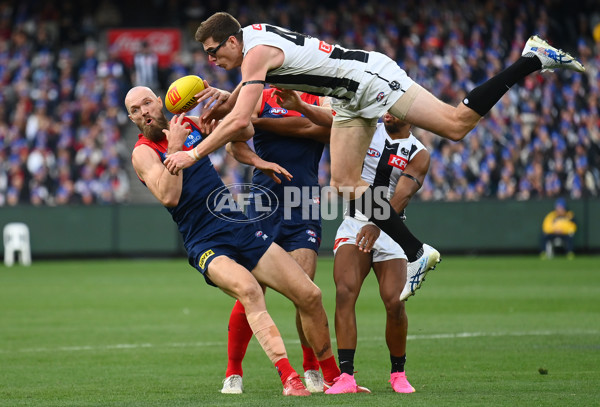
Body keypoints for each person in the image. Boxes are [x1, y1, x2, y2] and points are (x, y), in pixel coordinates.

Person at [164, 12, 583, 286]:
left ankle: (532, 58)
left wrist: (193, 154)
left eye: (213, 52)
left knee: (456, 126)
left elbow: (240, 121)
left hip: (371, 79)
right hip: (349, 97)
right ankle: (417, 252)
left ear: (231, 41)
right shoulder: (254, 39)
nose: (211, 59)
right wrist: (231, 90)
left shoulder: (253, 51)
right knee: (345, 183)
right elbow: (261, 73)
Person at [125, 86, 341, 397]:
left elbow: (245, 129)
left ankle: (334, 379)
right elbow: (170, 196)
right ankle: (289, 377)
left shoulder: (190, 125)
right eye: (135, 109)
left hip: (237, 224)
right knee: (250, 290)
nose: (143, 111)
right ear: (131, 117)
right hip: (205, 241)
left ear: (160, 102)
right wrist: (174, 147)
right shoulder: (143, 151)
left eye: (147, 103)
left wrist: (222, 118)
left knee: (310, 294)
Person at [220, 88, 331, 394]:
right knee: (252, 289)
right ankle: (233, 372)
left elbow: (325, 128)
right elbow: (234, 144)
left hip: (305, 201)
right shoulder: (260, 93)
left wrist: (260, 122)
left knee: (305, 291)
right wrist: (258, 159)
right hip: (263, 199)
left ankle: (310, 366)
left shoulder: (319, 98)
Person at [326, 113, 430, 394]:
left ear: (410, 115)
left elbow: (404, 194)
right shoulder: (368, 129)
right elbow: (330, 122)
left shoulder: (419, 153)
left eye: (396, 107)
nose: (388, 111)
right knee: (345, 293)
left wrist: (377, 224)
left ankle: (398, 373)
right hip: (353, 223)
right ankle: (346, 376)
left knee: (395, 302)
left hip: (392, 231)